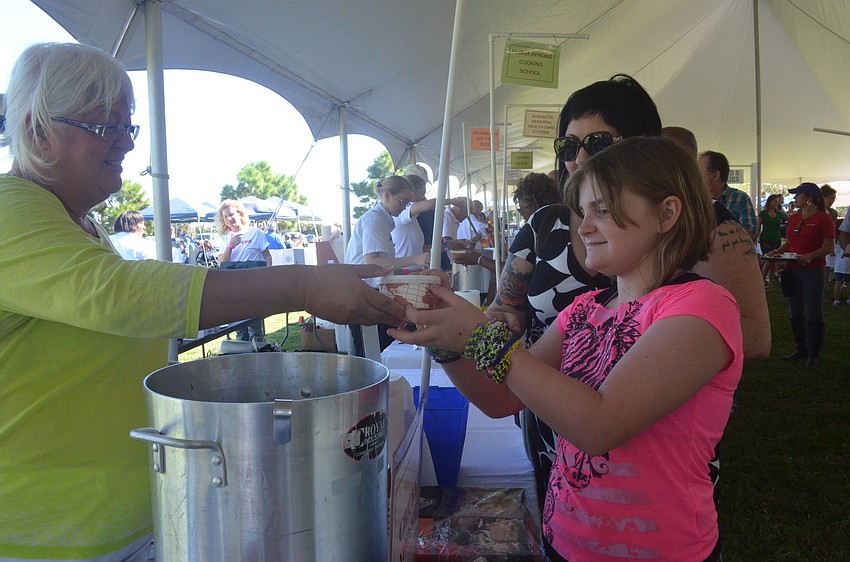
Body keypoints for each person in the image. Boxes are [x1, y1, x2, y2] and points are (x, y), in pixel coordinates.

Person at [0, 42, 405, 562]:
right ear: (36, 130)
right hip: (42, 540)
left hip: (124, 522)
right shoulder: (11, 209)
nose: (124, 142)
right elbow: (119, 296)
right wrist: (301, 286)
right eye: (105, 127)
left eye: (128, 127)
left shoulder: (78, 221)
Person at [390, 136, 743, 562]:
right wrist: (444, 340)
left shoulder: (702, 306)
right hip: (566, 541)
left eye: (604, 210)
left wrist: (480, 337)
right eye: (582, 212)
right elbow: (501, 399)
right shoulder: (584, 309)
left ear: (667, 213)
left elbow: (600, 425)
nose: (584, 226)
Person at [486, 74, 657, 510]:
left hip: (643, 434)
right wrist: (467, 337)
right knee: (560, 523)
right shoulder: (545, 226)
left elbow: (602, 425)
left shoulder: (677, 255)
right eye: (567, 146)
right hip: (544, 411)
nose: (578, 158)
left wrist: (466, 338)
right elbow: (505, 316)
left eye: (597, 143)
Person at [345, 175, 429, 355]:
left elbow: (385, 265)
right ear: (387, 195)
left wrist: (409, 271)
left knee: (381, 347)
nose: (405, 206)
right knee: (369, 351)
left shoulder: (383, 220)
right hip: (362, 293)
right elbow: (372, 262)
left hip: (370, 291)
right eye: (403, 201)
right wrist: (415, 259)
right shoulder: (374, 220)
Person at [767, 182, 835, 368]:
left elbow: (828, 246)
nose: (795, 199)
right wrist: (777, 252)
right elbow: (789, 242)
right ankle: (801, 348)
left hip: (813, 270)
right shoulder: (795, 218)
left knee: (813, 310)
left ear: (810, 198)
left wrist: (810, 256)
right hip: (793, 267)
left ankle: (813, 354)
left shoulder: (823, 219)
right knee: (795, 309)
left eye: (798, 195)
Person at [215, 199, 273, 341]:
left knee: (255, 325)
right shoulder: (224, 238)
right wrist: (230, 246)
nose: (229, 219)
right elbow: (221, 264)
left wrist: (269, 276)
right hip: (234, 286)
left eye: (231, 214)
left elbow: (267, 256)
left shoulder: (255, 233)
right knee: (239, 327)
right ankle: (242, 354)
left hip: (254, 284)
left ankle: (259, 351)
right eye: (225, 217)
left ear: (240, 214)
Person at [391, 170, 467, 258]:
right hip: (407, 270)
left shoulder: (413, 219)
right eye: (422, 194)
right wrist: (452, 201)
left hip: (417, 269)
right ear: (411, 193)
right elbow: (430, 204)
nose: (424, 198)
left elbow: (425, 249)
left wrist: (449, 245)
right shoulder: (403, 211)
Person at [699, 150, 758, 240]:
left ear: (715, 175)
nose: (696, 177)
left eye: (700, 173)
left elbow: (751, 235)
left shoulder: (740, 199)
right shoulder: (697, 201)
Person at [757, 194, 788, 288]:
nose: (776, 203)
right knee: (769, 259)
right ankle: (762, 280)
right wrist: (756, 237)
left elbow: (787, 222)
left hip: (776, 238)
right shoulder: (763, 213)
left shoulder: (780, 214)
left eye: (778, 202)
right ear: (770, 202)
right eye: (775, 201)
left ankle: (770, 282)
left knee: (774, 260)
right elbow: (758, 226)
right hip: (766, 238)